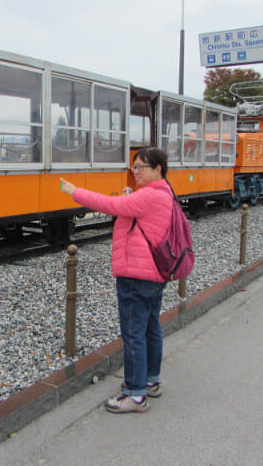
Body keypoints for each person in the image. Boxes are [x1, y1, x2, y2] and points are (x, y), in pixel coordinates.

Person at [60, 147, 173, 413]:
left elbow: (110, 205)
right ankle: (150, 381)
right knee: (150, 328)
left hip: (137, 274)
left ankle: (135, 395)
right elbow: (135, 211)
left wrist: (74, 191)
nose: (136, 172)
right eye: (134, 167)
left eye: (141, 167)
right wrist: (131, 198)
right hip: (153, 272)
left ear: (158, 168)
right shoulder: (163, 191)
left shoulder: (149, 195)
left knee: (134, 333)